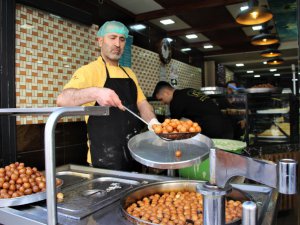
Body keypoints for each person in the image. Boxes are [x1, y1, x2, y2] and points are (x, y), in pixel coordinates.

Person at [57, 21, 159, 171]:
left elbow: (142, 104)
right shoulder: (89, 71)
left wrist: (154, 122)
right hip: (104, 160)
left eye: (122, 39)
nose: (117, 44)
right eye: (112, 38)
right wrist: (96, 92)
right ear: (100, 41)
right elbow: (62, 100)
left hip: (134, 156)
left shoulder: (129, 73)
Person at [152, 81, 233, 139]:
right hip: (226, 126)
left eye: (161, 99)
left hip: (213, 130)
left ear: (166, 92)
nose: (162, 103)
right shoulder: (188, 91)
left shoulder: (175, 101)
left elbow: (173, 126)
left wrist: (156, 121)